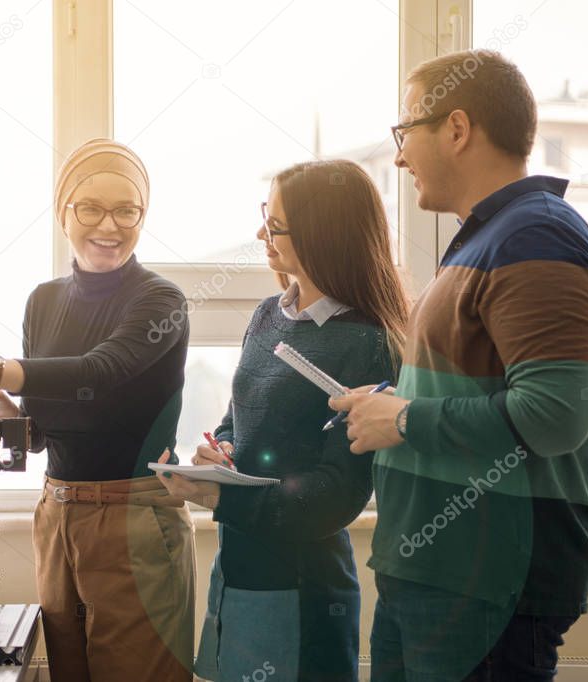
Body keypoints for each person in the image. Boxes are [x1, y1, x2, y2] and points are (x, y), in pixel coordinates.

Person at [330, 50, 588, 681]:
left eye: (405, 132)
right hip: (436, 576)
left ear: (457, 129)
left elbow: (554, 416)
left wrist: (402, 420)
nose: (398, 156)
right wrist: (388, 401)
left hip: (486, 584)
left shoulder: (536, 238)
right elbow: (476, 385)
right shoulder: (488, 238)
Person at [0, 139, 196, 681]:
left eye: (127, 209)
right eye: (90, 208)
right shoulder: (44, 300)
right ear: (63, 213)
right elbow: (39, 430)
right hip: (57, 515)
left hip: (133, 518)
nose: (110, 224)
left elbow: (100, 372)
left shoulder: (160, 301)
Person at [158, 159, 409, 682]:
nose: (260, 234)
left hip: (303, 583)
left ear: (323, 235)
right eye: (263, 217)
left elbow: (338, 493)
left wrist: (226, 498)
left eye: (275, 226)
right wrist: (220, 452)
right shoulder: (269, 314)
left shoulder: (365, 342)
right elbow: (238, 420)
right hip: (240, 567)